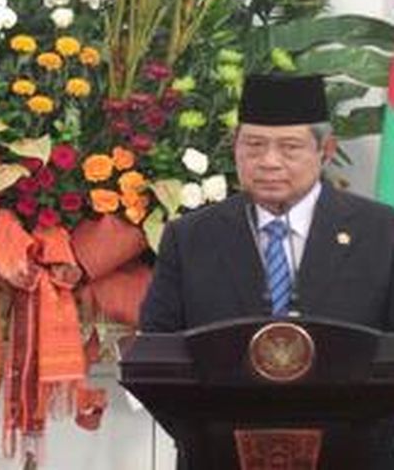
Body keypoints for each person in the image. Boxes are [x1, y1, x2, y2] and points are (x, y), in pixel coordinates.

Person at [140, 74, 394, 469]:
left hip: (355, 455)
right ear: (236, 148)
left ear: (326, 150)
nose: (269, 161)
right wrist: (205, 433)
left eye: (289, 147)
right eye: (253, 145)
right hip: (219, 454)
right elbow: (156, 353)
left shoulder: (383, 233)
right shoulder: (189, 237)